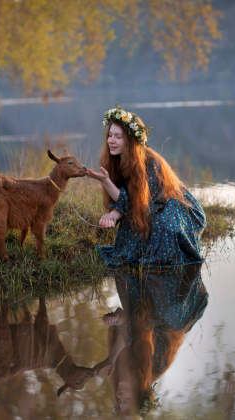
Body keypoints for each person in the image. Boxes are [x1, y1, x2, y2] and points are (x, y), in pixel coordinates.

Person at [85, 105, 206, 267]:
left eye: (118, 137)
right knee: (137, 228)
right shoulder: (114, 160)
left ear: (130, 141)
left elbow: (141, 205)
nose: (111, 141)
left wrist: (115, 213)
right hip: (146, 208)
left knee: (163, 225)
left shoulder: (150, 164)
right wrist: (108, 187)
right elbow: (129, 200)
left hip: (175, 206)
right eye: (110, 135)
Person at [92, 264, 208, 417]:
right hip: (168, 320)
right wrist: (123, 322)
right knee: (166, 308)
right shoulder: (157, 365)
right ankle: (167, 266)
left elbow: (127, 326)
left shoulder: (117, 372)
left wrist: (115, 322)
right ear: (138, 391)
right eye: (126, 399)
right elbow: (141, 327)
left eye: (119, 401)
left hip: (145, 313)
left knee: (123, 273)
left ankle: (136, 267)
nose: (119, 396)